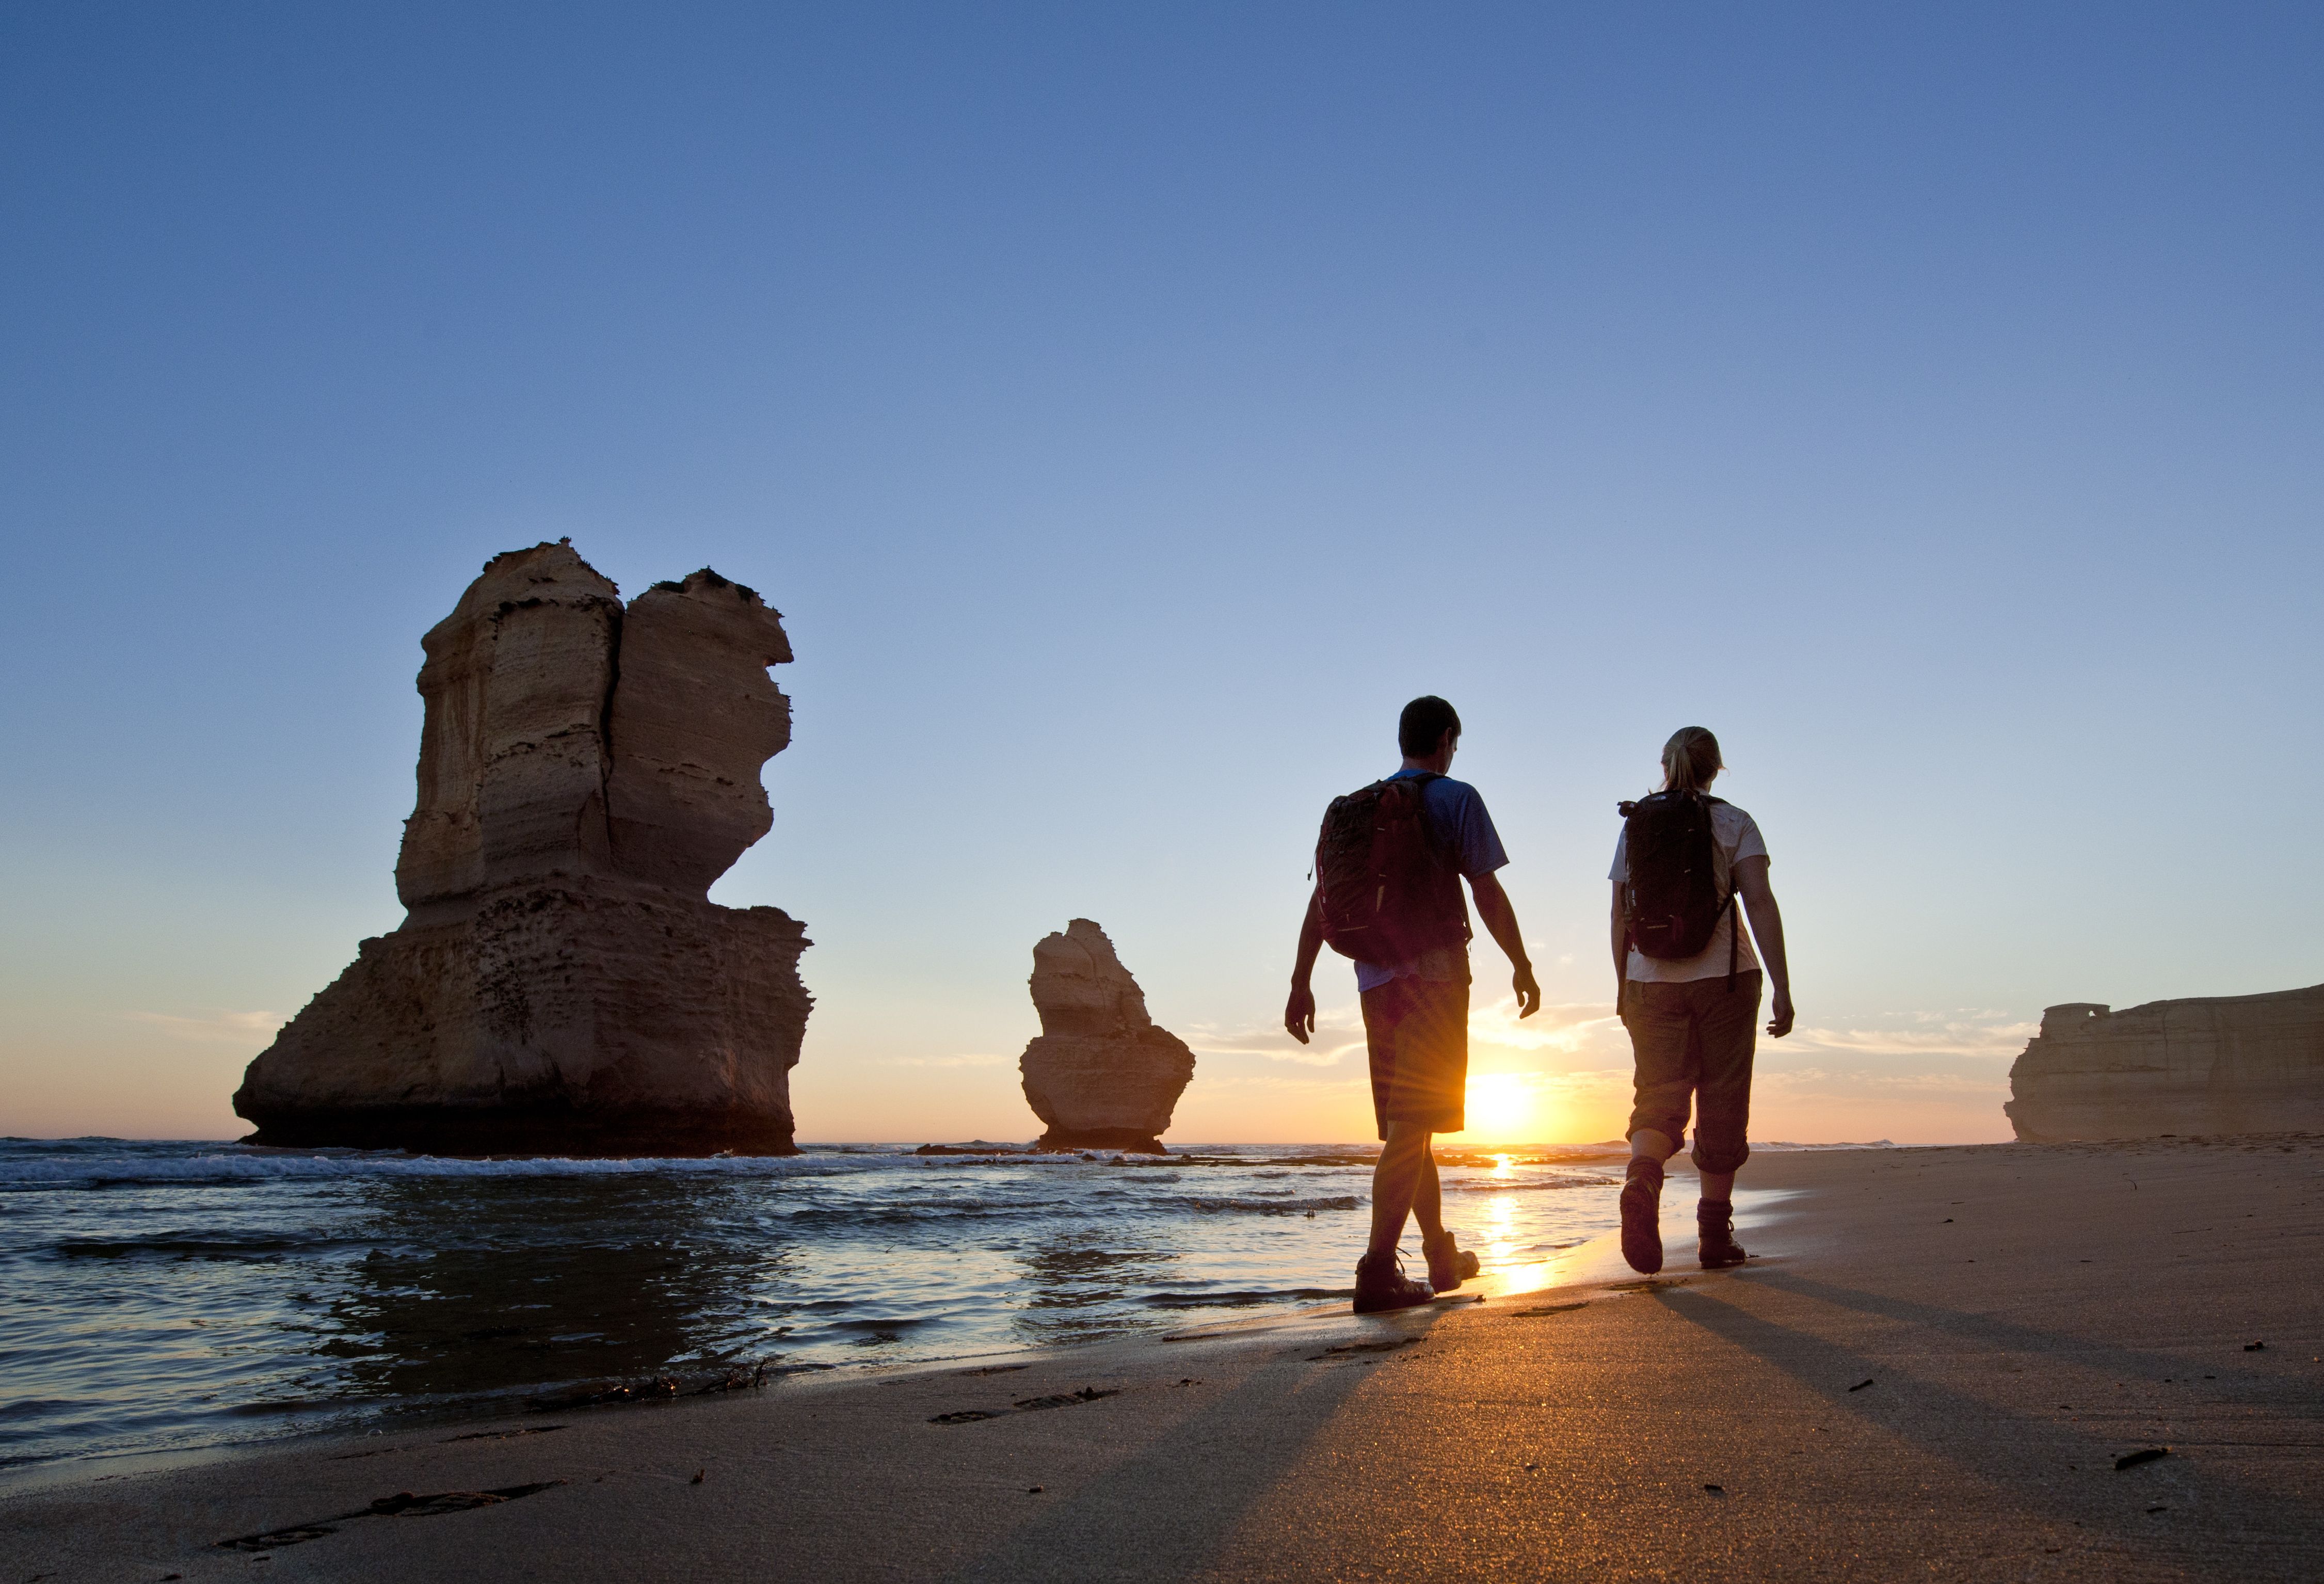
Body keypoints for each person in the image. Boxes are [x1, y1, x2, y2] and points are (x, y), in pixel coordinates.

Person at [1286, 696, 1542, 1313]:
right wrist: (1522, 963)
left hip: (1373, 984)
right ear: (1447, 739)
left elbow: (1320, 906)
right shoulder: (1456, 798)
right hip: (1435, 978)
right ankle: (1377, 1269)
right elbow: (1487, 893)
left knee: (1411, 1124)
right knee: (1411, 1126)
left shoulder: (1358, 810)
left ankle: (1438, 1253)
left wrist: (1300, 982)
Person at [1609, 726, 1792, 1274]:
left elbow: (1620, 914)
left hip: (1650, 980)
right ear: (1716, 769)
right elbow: (1758, 901)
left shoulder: (1637, 823)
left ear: (1666, 765)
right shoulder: (1735, 821)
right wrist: (1783, 985)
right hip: (1726, 981)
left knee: (1658, 1097)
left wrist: (1623, 987)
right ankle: (1714, 1237)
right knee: (1722, 1099)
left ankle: (1643, 1179)